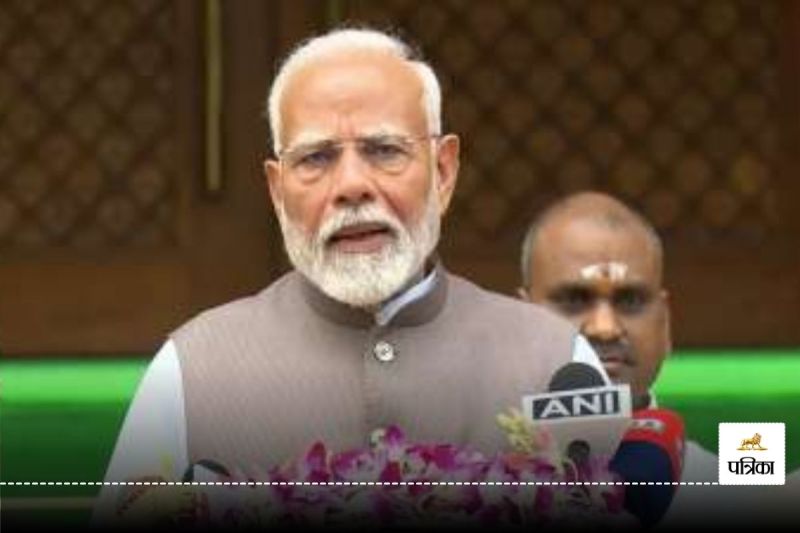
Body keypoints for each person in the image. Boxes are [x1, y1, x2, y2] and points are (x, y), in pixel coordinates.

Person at [93, 28, 609, 523]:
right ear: (277, 191)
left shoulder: (556, 362)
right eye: (316, 158)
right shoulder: (194, 370)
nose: (352, 186)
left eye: (384, 151)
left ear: (443, 171)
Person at [518, 192, 723, 524]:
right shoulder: (461, 485)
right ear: (521, 318)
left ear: (664, 322)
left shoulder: (736, 492)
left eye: (630, 301)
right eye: (574, 299)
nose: (605, 328)